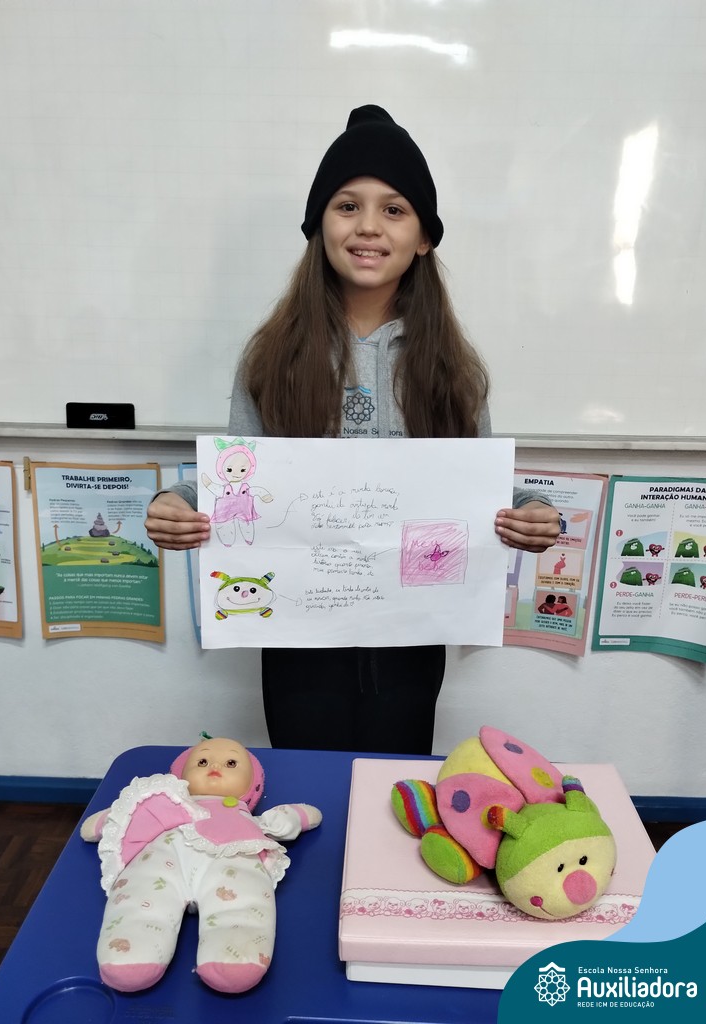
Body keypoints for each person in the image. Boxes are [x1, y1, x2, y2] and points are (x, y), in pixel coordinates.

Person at [145, 105, 560, 755]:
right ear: (319, 227)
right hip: (298, 636)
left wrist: (533, 511)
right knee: (309, 777)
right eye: (347, 206)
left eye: (393, 209)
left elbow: (488, 491)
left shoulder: (451, 368)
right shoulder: (272, 358)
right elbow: (235, 479)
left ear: (424, 237)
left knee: (392, 779)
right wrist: (179, 503)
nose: (368, 226)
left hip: (412, 634)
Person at [80, 735, 321, 993]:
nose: (214, 766)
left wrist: (293, 817)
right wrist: (108, 821)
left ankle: (233, 958)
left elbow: (291, 817)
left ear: (253, 784)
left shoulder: (245, 820)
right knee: (140, 899)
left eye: (231, 763)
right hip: (163, 858)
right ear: (180, 775)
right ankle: (130, 957)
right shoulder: (164, 804)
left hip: (232, 858)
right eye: (202, 761)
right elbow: (124, 814)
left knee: (242, 905)